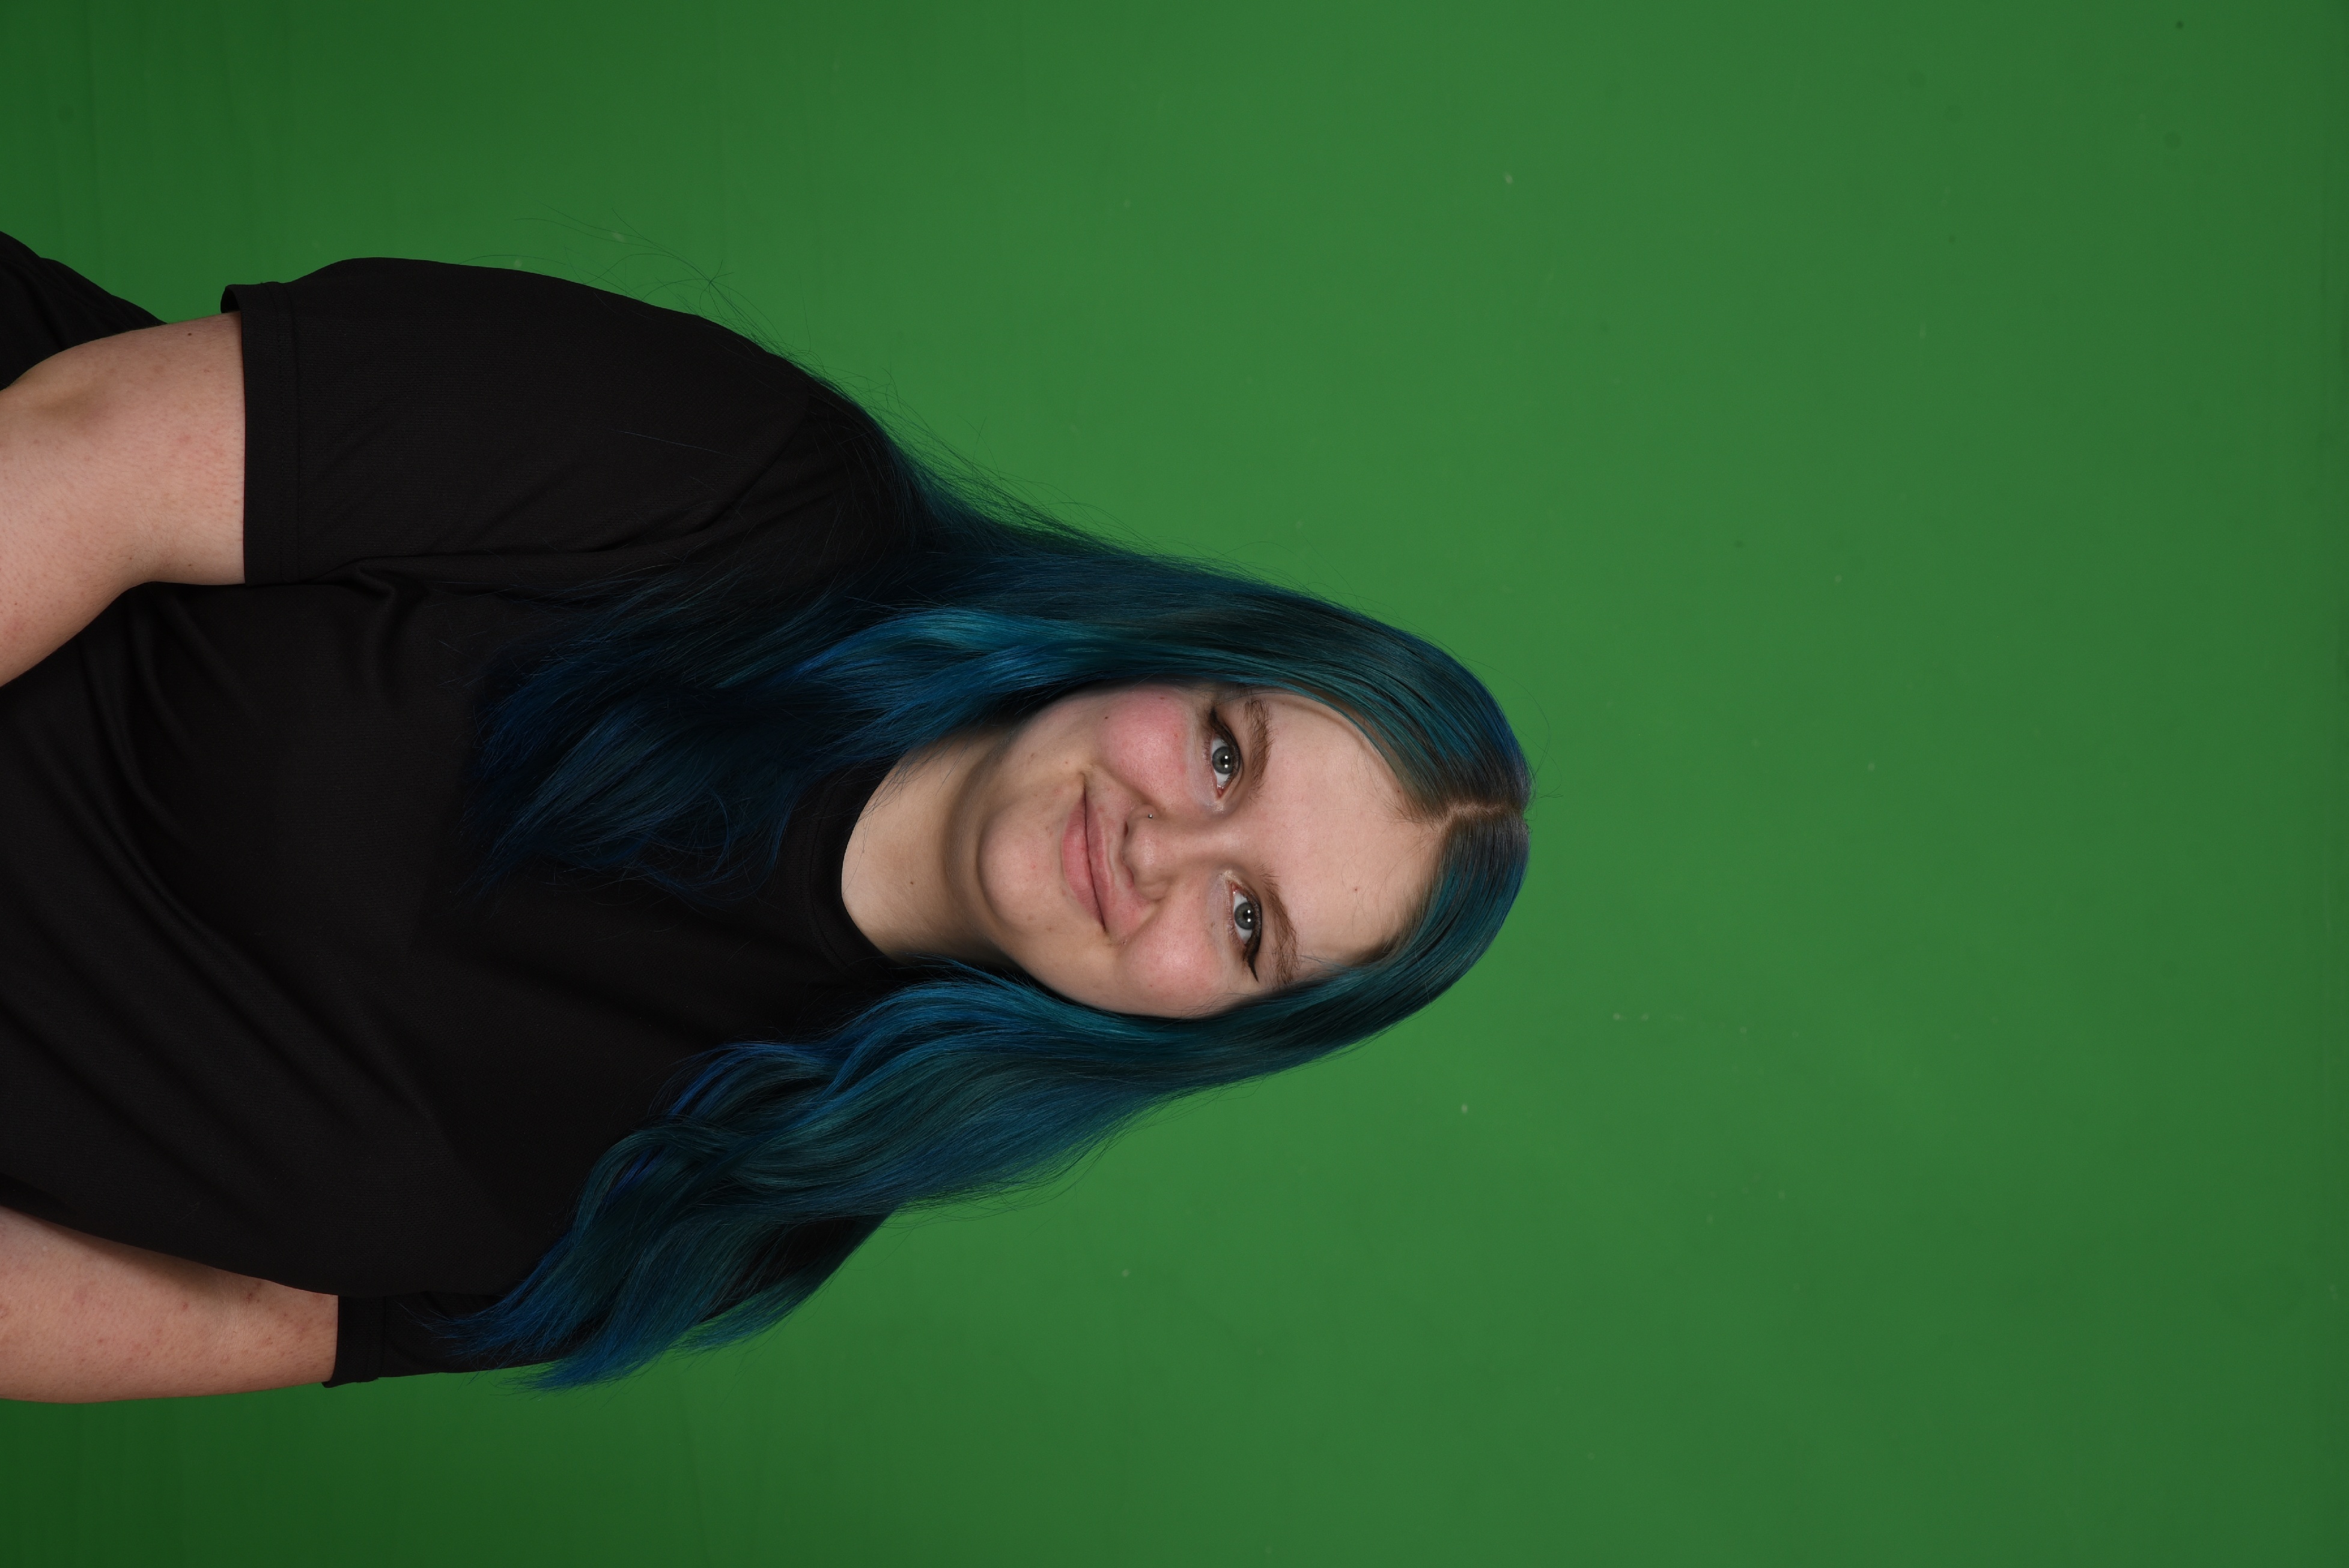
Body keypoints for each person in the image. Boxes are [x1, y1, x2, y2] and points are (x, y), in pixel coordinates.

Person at [0, 234, 1531, 1402]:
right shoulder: (751, 487)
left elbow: (240, 1315)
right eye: (1222, 758)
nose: (1161, 850)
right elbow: (99, 445)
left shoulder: (744, 1200)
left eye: (1247, 920)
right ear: (1175, 657)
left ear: (1217, 1030)